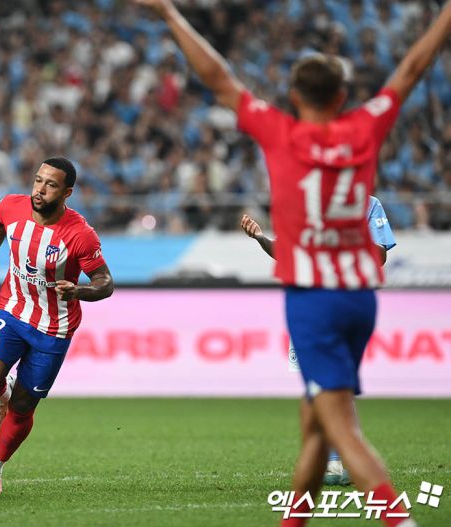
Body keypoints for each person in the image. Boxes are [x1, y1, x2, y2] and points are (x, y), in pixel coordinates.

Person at [137, 1, 451, 526]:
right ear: (343, 97)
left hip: (313, 302)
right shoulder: (364, 129)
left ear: (294, 96)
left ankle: (400, 520)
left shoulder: (280, 133)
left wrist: (170, 13)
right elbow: (413, 67)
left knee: (342, 429)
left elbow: (218, 77)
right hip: (360, 299)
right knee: (315, 429)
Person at [0, 157, 114, 493]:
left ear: (67, 193)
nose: (40, 189)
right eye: (38, 181)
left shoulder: (80, 235)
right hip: (13, 311)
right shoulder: (12, 206)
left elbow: (105, 283)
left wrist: (79, 290)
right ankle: (1, 393)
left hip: (54, 328)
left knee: (23, 408)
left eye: (50, 185)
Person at [241, 196, 396, 486]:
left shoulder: (366, 203)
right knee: (322, 391)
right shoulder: (306, 201)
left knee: (327, 389)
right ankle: (335, 461)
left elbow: (380, 255)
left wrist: (344, 238)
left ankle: (341, 462)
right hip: (315, 303)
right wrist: (262, 239)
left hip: (335, 303)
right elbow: (287, 253)